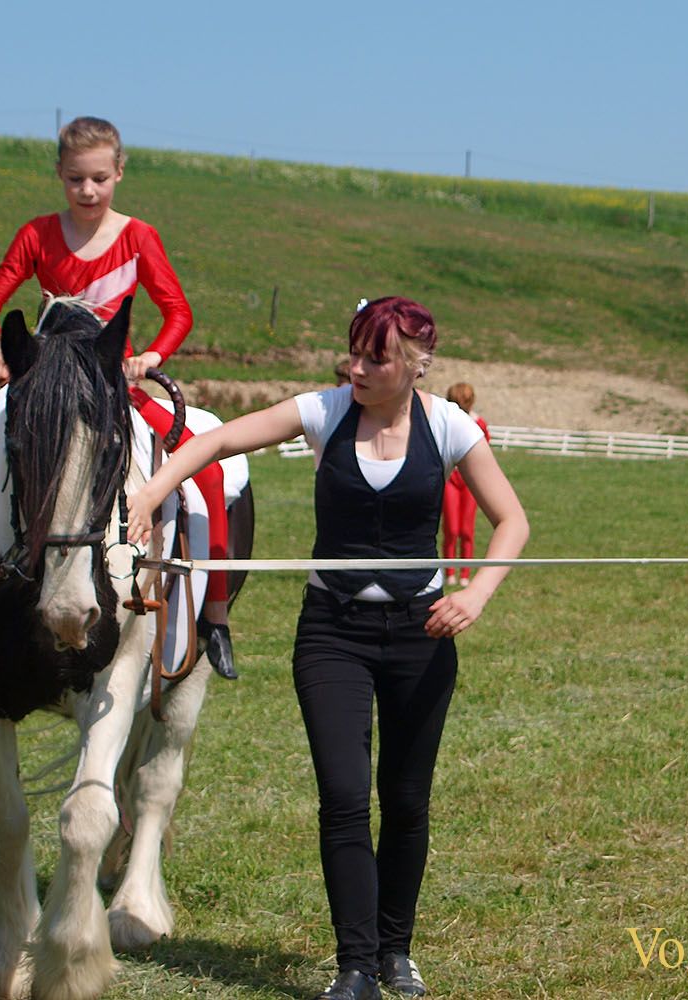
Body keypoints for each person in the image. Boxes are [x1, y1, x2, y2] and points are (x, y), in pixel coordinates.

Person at [128, 297, 529, 1000]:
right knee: (344, 797)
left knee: (406, 801)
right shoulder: (324, 410)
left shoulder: (449, 426)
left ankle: (395, 954)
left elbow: (512, 522)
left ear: (414, 365)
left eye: (375, 357)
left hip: (420, 637)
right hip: (332, 634)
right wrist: (153, 488)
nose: (356, 367)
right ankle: (354, 967)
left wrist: (473, 596)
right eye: (354, 353)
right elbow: (218, 443)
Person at [0, 115, 239, 676]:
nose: (88, 191)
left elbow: (178, 312)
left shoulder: (138, 237)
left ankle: (216, 618)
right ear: (59, 175)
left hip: (113, 387)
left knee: (207, 473)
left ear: (119, 174)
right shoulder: (37, 234)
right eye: (76, 180)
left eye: (100, 179)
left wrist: (149, 358)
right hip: (44, 385)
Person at [440, 382, 490, 587]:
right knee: (451, 528)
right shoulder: (445, 422)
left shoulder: (479, 424)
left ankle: (465, 573)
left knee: (466, 530)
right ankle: (449, 570)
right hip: (450, 480)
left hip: (470, 482)